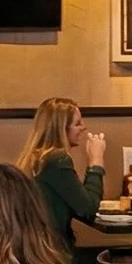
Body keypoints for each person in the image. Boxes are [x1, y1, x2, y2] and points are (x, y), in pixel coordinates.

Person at [16, 97, 107, 247]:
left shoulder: (36, 158)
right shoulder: (56, 160)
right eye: (77, 123)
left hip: (36, 247)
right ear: (61, 129)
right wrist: (96, 160)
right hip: (52, 252)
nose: (83, 127)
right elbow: (89, 208)